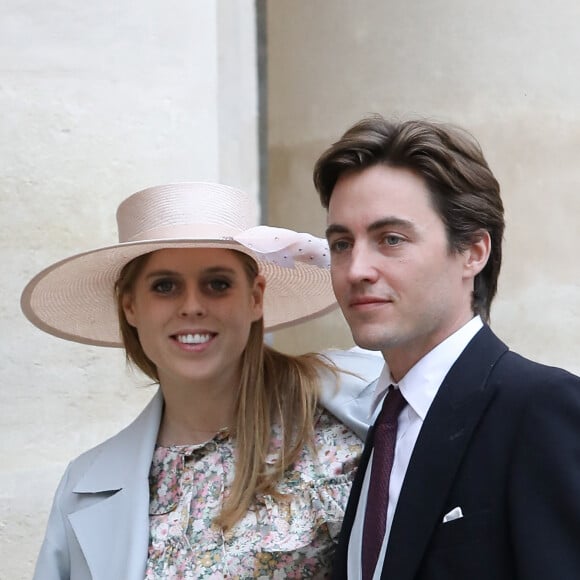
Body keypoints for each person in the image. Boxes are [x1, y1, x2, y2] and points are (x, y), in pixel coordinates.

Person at [21, 181, 384, 580]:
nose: (192, 306)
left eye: (217, 284)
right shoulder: (83, 487)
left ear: (255, 297)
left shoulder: (359, 408)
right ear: (130, 305)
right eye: (165, 286)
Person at [312, 115, 580, 580]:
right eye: (340, 243)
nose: (356, 269)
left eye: (390, 239)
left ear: (474, 252)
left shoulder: (542, 408)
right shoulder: (380, 418)